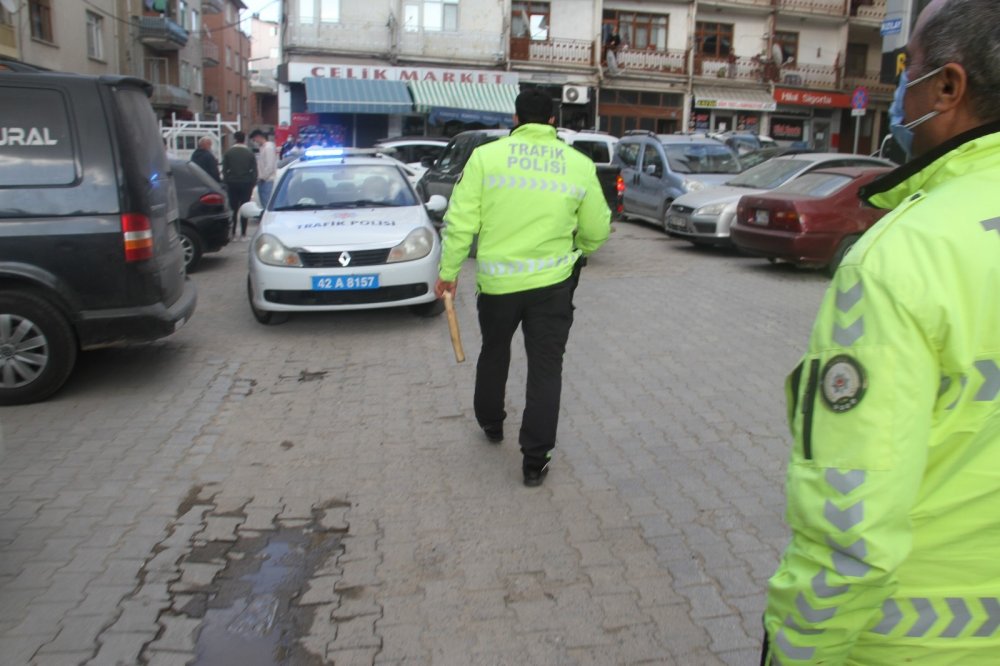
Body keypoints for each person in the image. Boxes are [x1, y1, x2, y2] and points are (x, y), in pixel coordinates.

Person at [762, 0, 1000, 663]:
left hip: (914, 642)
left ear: (949, 88)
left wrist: (796, 650)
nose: (900, 88)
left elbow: (851, 527)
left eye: (908, 69)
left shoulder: (905, 255)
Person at [434, 88, 611, 487]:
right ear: (553, 120)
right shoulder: (578, 164)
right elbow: (598, 229)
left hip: (498, 286)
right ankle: (535, 460)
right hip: (552, 285)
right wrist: (579, 250)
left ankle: (491, 424)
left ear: (515, 119)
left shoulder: (486, 158)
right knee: (546, 369)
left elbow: (460, 221)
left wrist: (449, 271)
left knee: (494, 352)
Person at [221, 131, 257, 239]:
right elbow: (254, 170)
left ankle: (232, 231)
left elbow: (224, 169)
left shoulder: (228, 153)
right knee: (244, 208)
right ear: (244, 139)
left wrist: (227, 181)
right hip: (246, 183)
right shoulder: (249, 153)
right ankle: (243, 232)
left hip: (232, 183)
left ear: (235, 139)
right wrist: (252, 182)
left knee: (233, 208)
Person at [249, 129, 278, 207]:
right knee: (264, 202)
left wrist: (262, 177)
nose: (255, 142)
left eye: (254, 139)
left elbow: (270, 165)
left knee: (266, 202)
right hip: (262, 179)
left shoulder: (268, 148)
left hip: (266, 180)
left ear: (258, 137)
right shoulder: (262, 148)